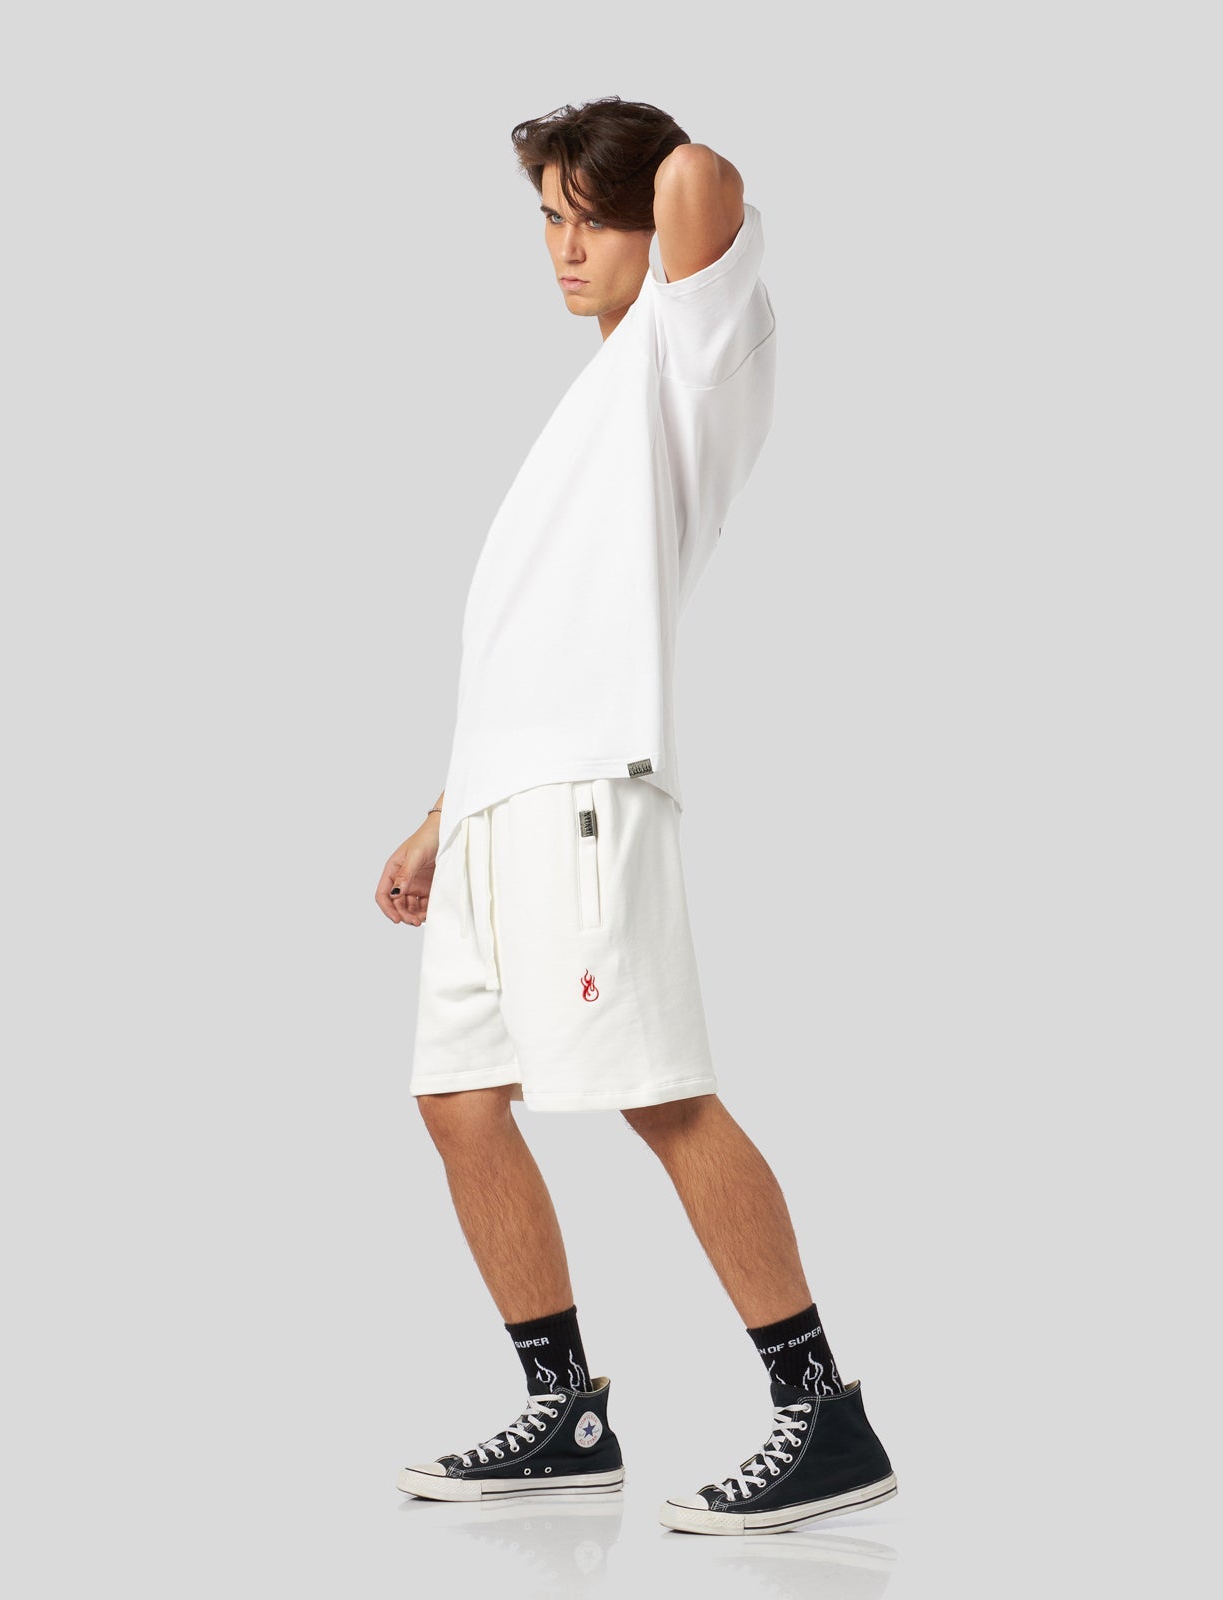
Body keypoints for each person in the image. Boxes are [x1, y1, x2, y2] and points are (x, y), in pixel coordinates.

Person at [378, 96, 897, 1536]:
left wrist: (624, 162)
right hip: (502, 808)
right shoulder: (592, 399)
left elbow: (700, 175)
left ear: (644, 225)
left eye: (589, 219)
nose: (564, 248)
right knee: (458, 1104)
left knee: (660, 1095)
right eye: (546, 219)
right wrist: (442, 814)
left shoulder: (692, 347)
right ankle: (566, 1414)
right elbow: (538, 652)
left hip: (588, 804)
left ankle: (824, 1417)